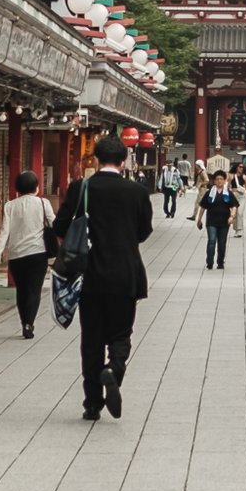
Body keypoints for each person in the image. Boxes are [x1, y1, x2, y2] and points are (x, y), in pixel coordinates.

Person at [53, 132, 155, 421]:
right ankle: (114, 369)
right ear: (124, 160)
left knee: (92, 339)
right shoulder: (136, 192)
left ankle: (92, 404)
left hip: (89, 277)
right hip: (125, 273)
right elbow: (144, 231)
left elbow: (61, 226)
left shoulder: (81, 188)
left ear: (97, 159)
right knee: (121, 333)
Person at [0, 167, 53, 339]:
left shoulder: (10, 206)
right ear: (36, 187)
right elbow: (55, 224)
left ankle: (23, 321)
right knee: (34, 290)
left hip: (17, 256)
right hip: (38, 253)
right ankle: (29, 324)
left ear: (17, 189)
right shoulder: (43, 203)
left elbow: (5, 231)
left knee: (22, 290)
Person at [200, 166, 238, 270]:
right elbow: (203, 207)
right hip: (211, 221)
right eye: (217, 179)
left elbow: (234, 206)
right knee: (212, 240)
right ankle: (209, 261)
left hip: (224, 222)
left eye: (221, 179)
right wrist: (198, 219)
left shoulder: (228, 193)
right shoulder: (209, 193)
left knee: (222, 243)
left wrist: (232, 216)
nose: (219, 181)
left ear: (224, 180)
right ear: (214, 181)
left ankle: (220, 262)